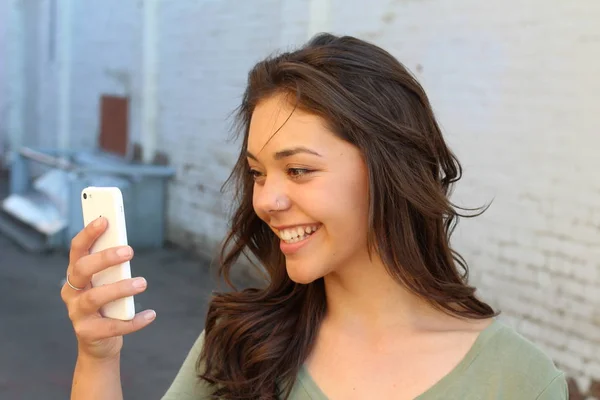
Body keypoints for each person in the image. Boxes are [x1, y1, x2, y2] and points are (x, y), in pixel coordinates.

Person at [61, 33, 568, 400]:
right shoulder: (244, 343)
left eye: (299, 170)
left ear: (390, 170)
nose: (266, 201)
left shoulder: (516, 379)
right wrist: (97, 359)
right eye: (259, 173)